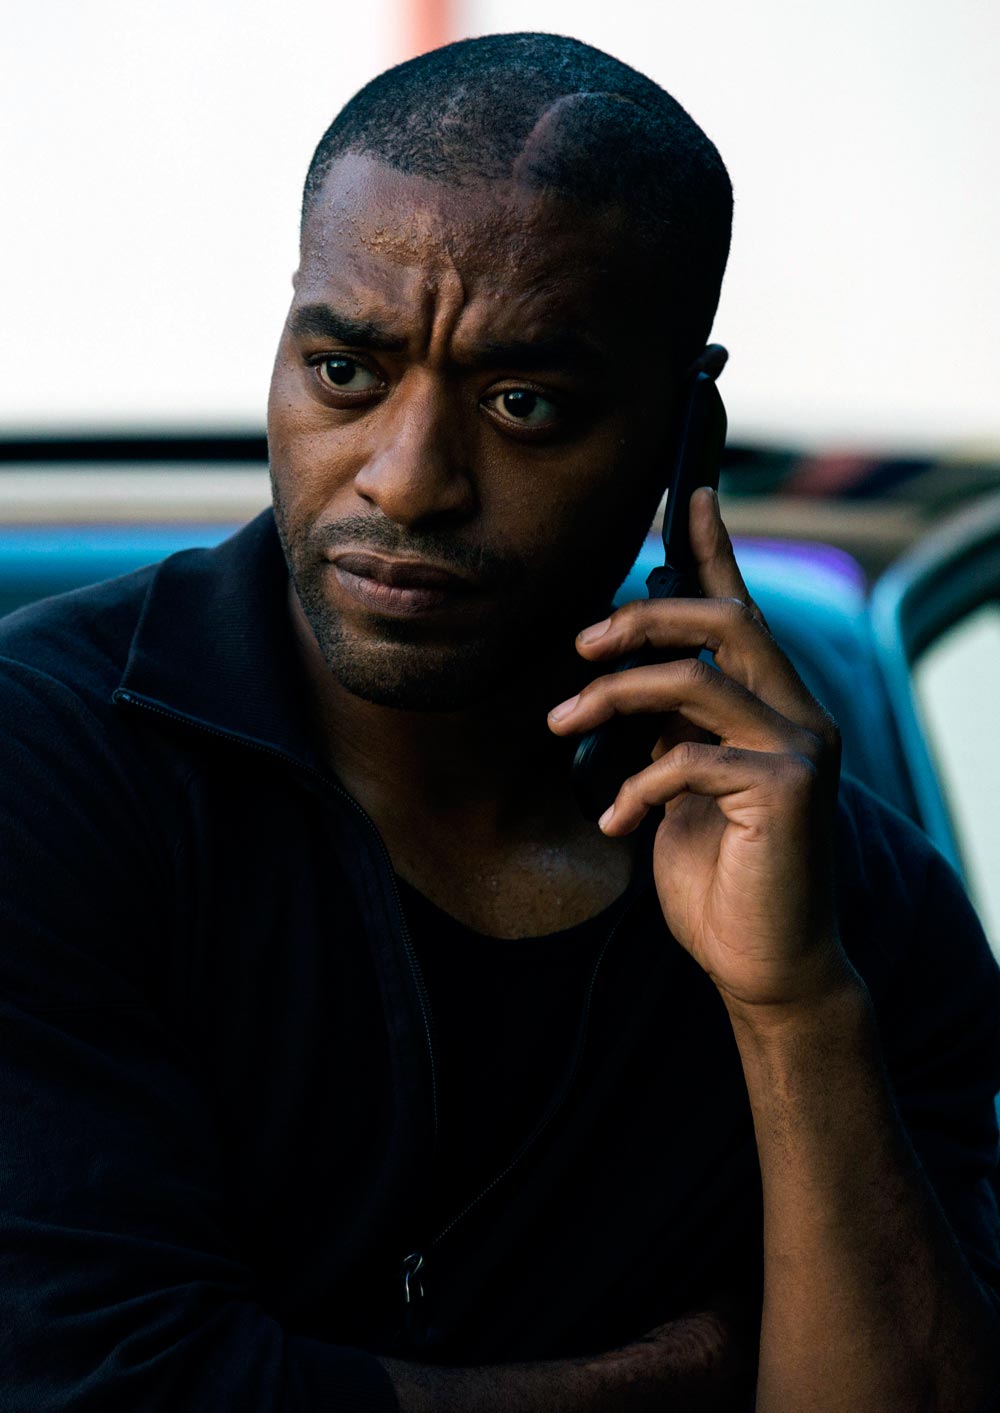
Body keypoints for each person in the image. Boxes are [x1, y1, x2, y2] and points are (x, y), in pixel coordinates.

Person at [1, 30, 999, 1413]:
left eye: (524, 403)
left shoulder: (861, 906)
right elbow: (103, 1391)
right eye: (345, 374)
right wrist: (683, 1379)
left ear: (684, 438)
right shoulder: (49, 769)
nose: (407, 481)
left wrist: (795, 1010)